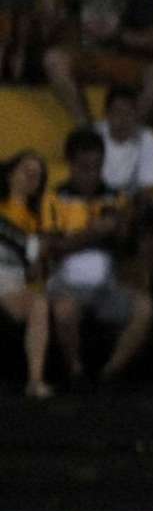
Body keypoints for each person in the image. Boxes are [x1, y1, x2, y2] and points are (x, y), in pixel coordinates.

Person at [42, 125, 153, 387]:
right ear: (70, 164)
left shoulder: (115, 198)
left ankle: (111, 372)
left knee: (145, 308)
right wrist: (93, 233)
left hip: (107, 285)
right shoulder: (55, 199)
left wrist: (126, 228)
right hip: (66, 285)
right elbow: (51, 248)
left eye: (96, 167)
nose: (91, 175)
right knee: (64, 310)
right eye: (84, 168)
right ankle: (75, 370)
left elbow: (128, 248)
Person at [1, 149, 55, 394]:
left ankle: (35, 380)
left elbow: (33, 273)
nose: (32, 178)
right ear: (11, 174)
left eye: (37, 176)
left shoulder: (36, 222)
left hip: (10, 282)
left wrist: (40, 263)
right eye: (27, 171)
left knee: (39, 304)